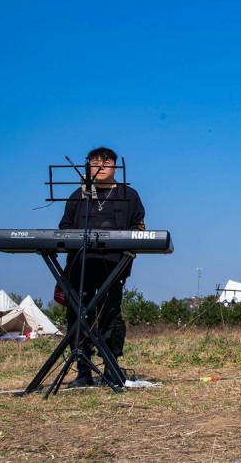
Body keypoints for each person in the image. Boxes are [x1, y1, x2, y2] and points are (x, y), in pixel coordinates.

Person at [60, 147, 145, 387]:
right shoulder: (79, 195)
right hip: (81, 263)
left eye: (105, 163)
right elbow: (64, 226)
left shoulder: (129, 195)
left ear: (115, 167)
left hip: (112, 264)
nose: (100, 167)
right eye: (95, 162)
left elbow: (138, 226)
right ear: (88, 166)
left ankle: (110, 366)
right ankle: (83, 370)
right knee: (78, 312)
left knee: (111, 313)